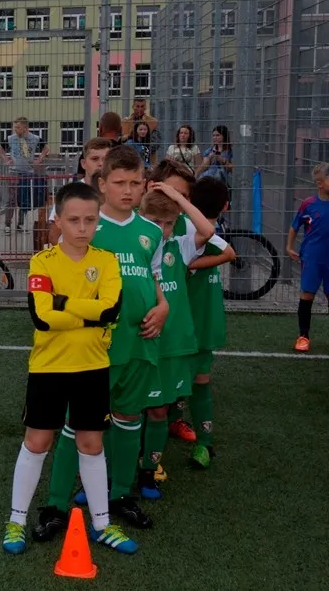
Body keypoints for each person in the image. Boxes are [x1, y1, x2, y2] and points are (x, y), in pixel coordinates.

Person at [37, 146, 167, 541]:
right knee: (76, 425)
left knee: (129, 419)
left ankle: (120, 494)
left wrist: (162, 306)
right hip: (94, 349)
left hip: (139, 343)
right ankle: (56, 505)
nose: (127, 190)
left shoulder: (151, 232)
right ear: (102, 184)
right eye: (119, 182)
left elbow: (154, 277)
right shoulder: (90, 227)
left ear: (144, 185)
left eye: (135, 182)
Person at [2, 182, 136, 556]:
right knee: (37, 442)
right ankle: (16, 521)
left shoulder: (106, 261)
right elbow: (42, 317)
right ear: (58, 220)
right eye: (74, 220)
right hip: (49, 367)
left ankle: (102, 525)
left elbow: (111, 310)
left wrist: (64, 303)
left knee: (91, 444)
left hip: (92, 366)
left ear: (98, 221)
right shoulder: (42, 262)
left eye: (90, 220)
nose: (82, 227)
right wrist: (88, 312)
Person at [134, 175, 214, 501]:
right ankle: (116, 473)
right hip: (139, 342)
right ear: (141, 217)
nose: (163, 230)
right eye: (156, 222)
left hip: (171, 346)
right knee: (125, 411)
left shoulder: (178, 247)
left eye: (168, 223)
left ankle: (149, 471)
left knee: (159, 412)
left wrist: (177, 198)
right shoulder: (132, 248)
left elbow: (207, 231)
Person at [183, 177, 236, 469]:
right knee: (189, 382)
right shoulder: (191, 228)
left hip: (199, 318)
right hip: (187, 319)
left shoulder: (198, 229)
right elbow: (229, 253)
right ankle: (202, 442)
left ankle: (204, 442)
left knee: (195, 380)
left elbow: (226, 252)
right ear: (225, 205)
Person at [287, 162, 329, 352]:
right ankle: (303, 336)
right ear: (320, 183)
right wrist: (289, 247)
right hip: (312, 257)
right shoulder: (309, 204)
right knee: (307, 294)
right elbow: (294, 226)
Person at [47, 138, 112, 245]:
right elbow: (54, 236)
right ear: (83, 163)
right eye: (95, 159)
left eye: (105, 159)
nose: (101, 164)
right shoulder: (70, 193)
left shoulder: (116, 193)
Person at [0, 117, 48, 234]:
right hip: (14, 172)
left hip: (27, 173)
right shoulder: (11, 138)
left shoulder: (35, 138)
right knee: (11, 200)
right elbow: (0, 148)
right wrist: (6, 159)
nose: (15, 130)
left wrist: (39, 159)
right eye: (14, 127)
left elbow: (46, 148)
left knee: (24, 199)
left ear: (25, 128)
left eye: (18, 127)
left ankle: (20, 224)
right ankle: (7, 225)